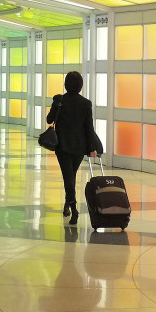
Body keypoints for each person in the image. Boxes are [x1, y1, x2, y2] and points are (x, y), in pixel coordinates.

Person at [46, 71, 103, 225]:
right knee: (71, 174)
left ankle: (73, 208)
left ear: (65, 84)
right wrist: (92, 147)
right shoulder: (86, 103)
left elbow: (49, 119)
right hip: (79, 147)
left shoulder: (59, 100)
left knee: (68, 176)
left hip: (62, 145)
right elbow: (88, 127)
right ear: (80, 86)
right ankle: (67, 204)